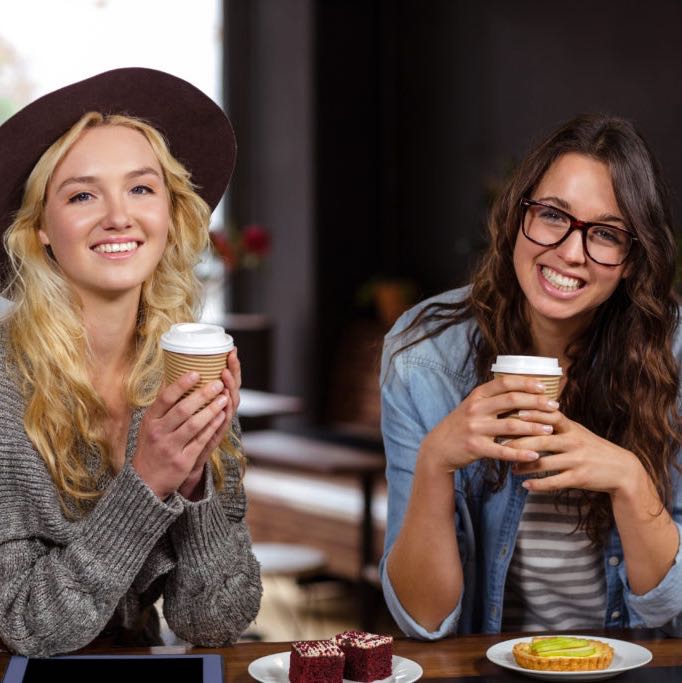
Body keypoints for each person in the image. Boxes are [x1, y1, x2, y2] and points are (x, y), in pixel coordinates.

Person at [380, 114, 682, 639]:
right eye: (552, 215)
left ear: (633, 259)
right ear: (517, 215)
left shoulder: (673, 356)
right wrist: (436, 461)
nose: (569, 251)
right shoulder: (425, 354)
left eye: (606, 234)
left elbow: (668, 610)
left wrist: (631, 481)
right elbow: (422, 620)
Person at [0, 68, 262, 656]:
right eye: (83, 194)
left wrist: (196, 478)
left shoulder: (186, 373)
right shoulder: (4, 386)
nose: (119, 216)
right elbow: (25, 627)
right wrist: (146, 484)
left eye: (141, 189)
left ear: (170, 215)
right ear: (40, 227)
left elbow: (213, 623)